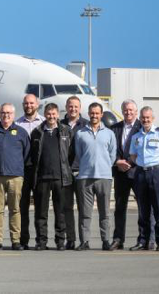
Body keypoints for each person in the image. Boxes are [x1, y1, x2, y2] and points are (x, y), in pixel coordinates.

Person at [0, 103, 30, 250]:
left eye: (9, 113)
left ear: (13, 114)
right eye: (3, 113)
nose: (6, 115)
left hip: (15, 176)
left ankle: (15, 240)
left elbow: (27, 155)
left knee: (14, 209)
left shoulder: (21, 132)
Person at [29, 103, 75, 251]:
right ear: (45, 114)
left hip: (60, 178)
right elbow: (33, 155)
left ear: (58, 114)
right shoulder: (37, 132)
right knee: (40, 212)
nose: (51, 117)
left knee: (60, 212)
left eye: (54, 114)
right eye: (48, 114)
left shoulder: (66, 131)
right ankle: (41, 241)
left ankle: (60, 241)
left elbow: (72, 154)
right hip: (42, 178)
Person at [129, 106, 159, 251]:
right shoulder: (136, 137)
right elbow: (133, 155)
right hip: (141, 174)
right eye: (143, 117)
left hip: (156, 173)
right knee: (143, 210)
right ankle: (143, 241)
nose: (145, 120)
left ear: (153, 118)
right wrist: (142, 165)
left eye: (148, 117)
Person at [109, 100, 152, 251]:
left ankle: (145, 239)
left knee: (144, 207)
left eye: (131, 110)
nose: (128, 112)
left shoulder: (143, 127)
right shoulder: (114, 128)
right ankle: (118, 239)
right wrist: (117, 162)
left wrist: (129, 163)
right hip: (120, 174)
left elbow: (145, 151)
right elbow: (109, 149)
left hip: (138, 173)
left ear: (136, 111)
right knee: (120, 208)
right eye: (125, 110)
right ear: (122, 111)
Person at [73, 103, 117, 251]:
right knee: (85, 213)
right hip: (85, 177)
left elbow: (112, 155)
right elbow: (79, 154)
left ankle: (105, 240)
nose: (94, 116)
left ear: (101, 114)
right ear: (88, 114)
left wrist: (103, 167)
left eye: (97, 113)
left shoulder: (109, 134)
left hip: (104, 177)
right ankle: (84, 241)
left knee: (105, 212)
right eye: (92, 113)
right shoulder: (80, 133)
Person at [15, 94, 45, 249]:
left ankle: (41, 240)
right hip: (23, 171)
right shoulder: (16, 124)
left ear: (37, 104)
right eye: (26, 103)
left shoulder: (44, 123)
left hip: (40, 171)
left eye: (31, 103)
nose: (29, 105)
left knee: (40, 207)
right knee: (22, 207)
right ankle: (23, 240)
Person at [60, 96, 89, 249]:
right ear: (66, 107)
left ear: (80, 107)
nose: (73, 109)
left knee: (83, 208)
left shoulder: (86, 125)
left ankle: (84, 240)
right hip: (64, 173)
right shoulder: (60, 125)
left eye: (76, 106)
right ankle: (70, 239)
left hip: (81, 172)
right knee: (67, 208)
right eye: (70, 106)